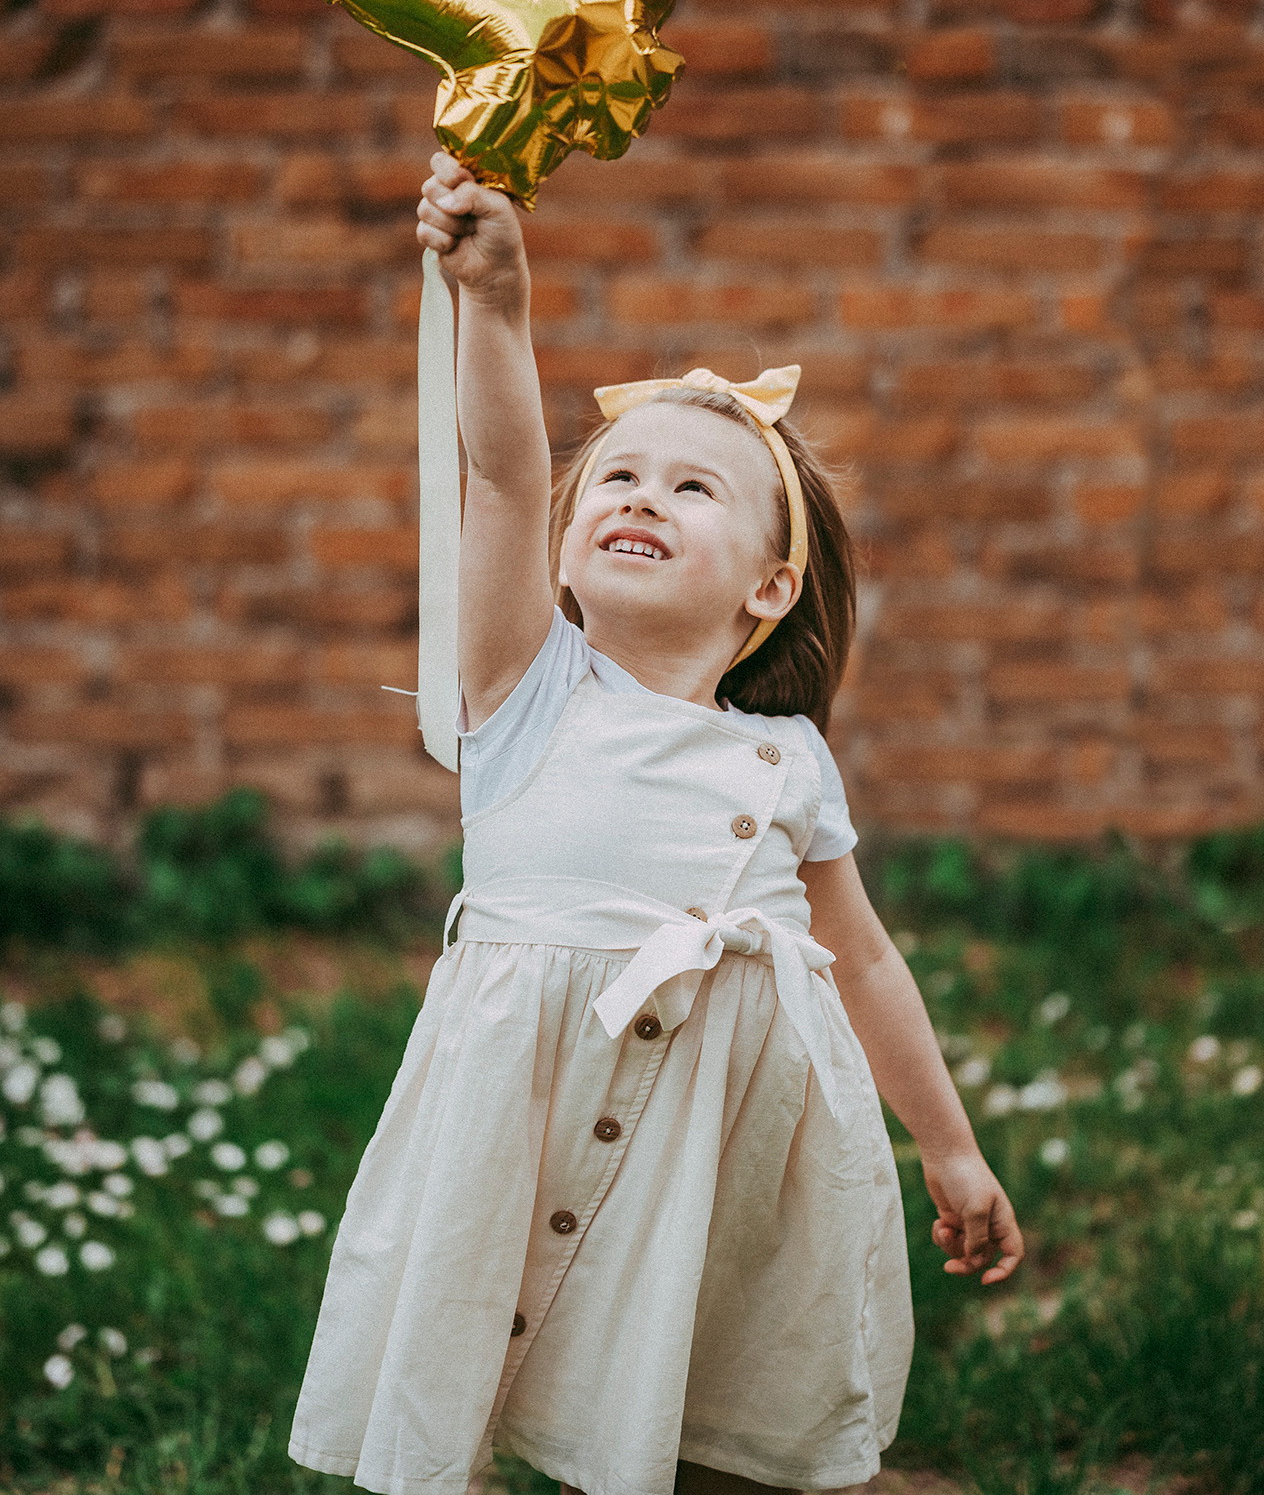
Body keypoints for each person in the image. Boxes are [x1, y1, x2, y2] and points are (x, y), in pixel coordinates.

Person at [289, 161, 1023, 1495]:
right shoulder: (526, 688)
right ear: (566, 548)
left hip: (723, 1149)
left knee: (705, 1389)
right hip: (528, 1114)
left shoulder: (790, 760)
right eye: (618, 476)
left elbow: (860, 960)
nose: (638, 495)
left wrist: (952, 1145)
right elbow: (505, 472)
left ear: (772, 585)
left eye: (695, 490)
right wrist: (497, 305)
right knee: (477, 1365)